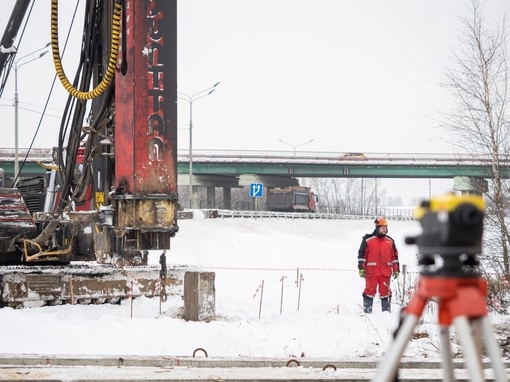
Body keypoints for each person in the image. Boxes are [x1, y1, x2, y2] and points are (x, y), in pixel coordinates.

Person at [357, 217, 400, 313]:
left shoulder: (390, 241)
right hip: (371, 273)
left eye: (385, 227)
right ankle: (367, 313)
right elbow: (361, 255)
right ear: (377, 228)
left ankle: (386, 313)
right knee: (369, 292)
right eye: (382, 227)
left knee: (386, 293)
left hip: (386, 273)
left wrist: (396, 270)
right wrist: (361, 268)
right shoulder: (368, 240)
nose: (384, 229)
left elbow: (395, 257)